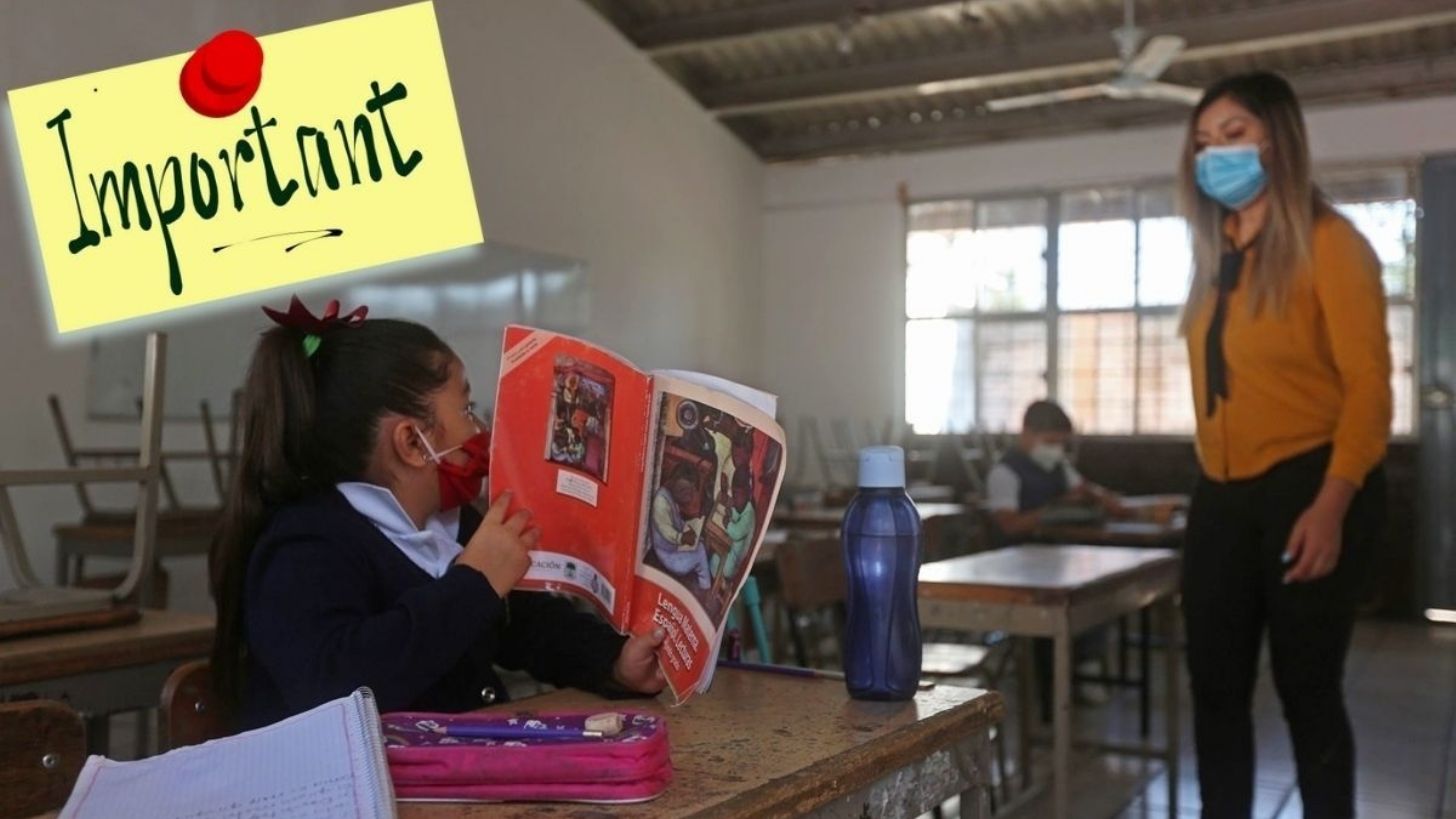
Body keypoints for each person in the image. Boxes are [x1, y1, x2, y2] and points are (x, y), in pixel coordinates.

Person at [209, 298, 666, 730]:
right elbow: (338, 685)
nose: (480, 429)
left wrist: (613, 661)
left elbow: (529, 624)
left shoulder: (453, 523)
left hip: (456, 768)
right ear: (412, 442)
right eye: (466, 409)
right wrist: (474, 583)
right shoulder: (304, 545)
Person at [1178, 72, 1390, 819]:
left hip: (1310, 483)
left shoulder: (1332, 244)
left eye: (1233, 135)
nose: (1216, 155)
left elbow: (1370, 390)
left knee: (1307, 689)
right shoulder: (1217, 255)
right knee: (1214, 690)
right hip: (1220, 492)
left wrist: (1332, 505)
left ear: (1278, 139)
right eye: (1204, 143)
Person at [985, 399, 1124, 543]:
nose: (1056, 449)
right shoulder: (1004, 472)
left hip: (1062, 545)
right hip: (1024, 550)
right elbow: (1010, 526)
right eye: (1050, 442)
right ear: (1027, 433)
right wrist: (1054, 509)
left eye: (1061, 443)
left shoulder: (1059, 466)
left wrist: (1101, 497)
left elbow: (1083, 488)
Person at [648, 463, 711, 590]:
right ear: (673, 482)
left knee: (700, 545)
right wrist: (681, 538)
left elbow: (676, 521)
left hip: (674, 547)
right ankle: (706, 587)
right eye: (683, 491)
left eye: (690, 492)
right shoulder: (661, 502)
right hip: (667, 555)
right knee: (700, 554)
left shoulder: (671, 497)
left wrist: (689, 528)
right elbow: (666, 530)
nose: (687, 497)